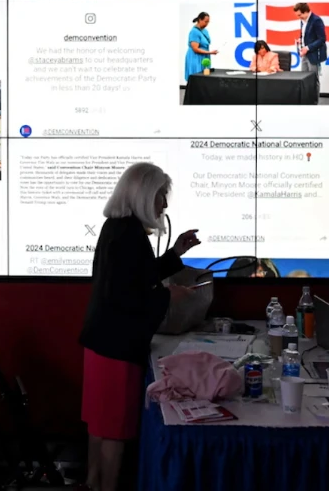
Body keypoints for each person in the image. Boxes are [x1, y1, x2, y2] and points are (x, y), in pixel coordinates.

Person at [80, 162, 200, 491]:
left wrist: (176, 253)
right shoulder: (128, 234)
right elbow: (128, 296)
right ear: (143, 194)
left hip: (101, 343)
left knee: (99, 425)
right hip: (116, 347)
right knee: (115, 430)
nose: (164, 203)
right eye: (161, 195)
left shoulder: (118, 227)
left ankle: (92, 483)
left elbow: (139, 275)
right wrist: (168, 295)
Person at [293, 2, 326, 101]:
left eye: (300, 15)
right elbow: (304, 34)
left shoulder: (317, 20)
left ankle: (314, 102)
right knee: (303, 78)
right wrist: (300, 40)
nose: (299, 17)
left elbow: (322, 39)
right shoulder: (303, 20)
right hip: (304, 54)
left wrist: (307, 48)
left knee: (313, 80)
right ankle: (305, 100)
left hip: (314, 55)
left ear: (306, 12)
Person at [183, 12, 216, 79]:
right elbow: (195, 49)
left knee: (204, 77)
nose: (207, 24)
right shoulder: (194, 32)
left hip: (204, 57)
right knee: (197, 76)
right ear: (200, 20)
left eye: (208, 22)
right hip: (195, 57)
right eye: (205, 21)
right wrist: (210, 52)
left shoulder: (205, 31)